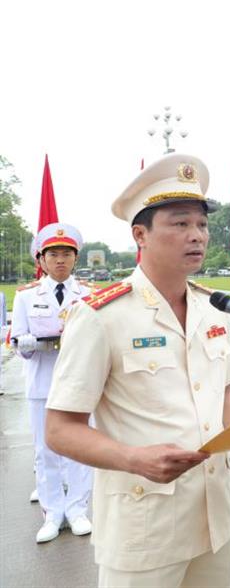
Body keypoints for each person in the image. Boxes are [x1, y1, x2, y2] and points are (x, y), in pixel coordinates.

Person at [44, 153, 230, 587]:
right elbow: (59, 428)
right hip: (145, 528)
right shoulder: (101, 316)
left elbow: (223, 392)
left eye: (201, 225)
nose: (197, 235)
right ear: (140, 235)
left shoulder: (211, 307)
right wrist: (132, 458)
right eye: (180, 223)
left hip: (214, 516)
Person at [11, 223, 94, 543]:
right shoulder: (27, 296)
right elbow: (18, 341)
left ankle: (77, 509)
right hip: (42, 380)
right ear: (41, 260)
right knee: (45, 450)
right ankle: (52, 512)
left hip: (79, 383)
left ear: (76, 259)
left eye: (67, 254)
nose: (60, 260)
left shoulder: (87, 294)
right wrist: (28, 345)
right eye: (53, 254)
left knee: (80, 448)